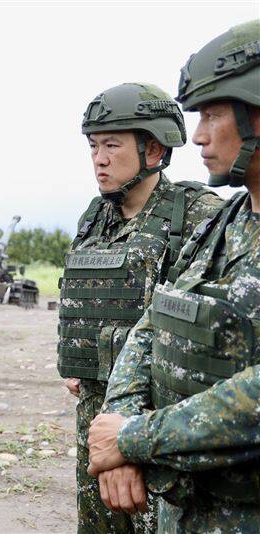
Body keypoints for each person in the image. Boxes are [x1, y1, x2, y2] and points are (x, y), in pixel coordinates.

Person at [89, 20, 260, 532]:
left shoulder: (197, 211)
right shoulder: (226, 222)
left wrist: (133, 438)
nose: (200, 135)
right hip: (187, 509)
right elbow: (153, 322)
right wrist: (119, 426)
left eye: (212, 114)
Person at [56, 83, 222, 533]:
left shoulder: (198, 213)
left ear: (153, 149)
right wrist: (77, 360)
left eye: (112, 146)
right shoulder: (95, 216)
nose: (99, 159)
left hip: (158, 419)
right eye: (94, 147)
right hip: (94, 410)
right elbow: (80, 292)